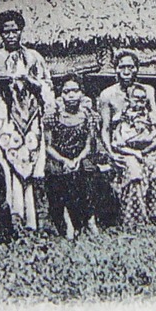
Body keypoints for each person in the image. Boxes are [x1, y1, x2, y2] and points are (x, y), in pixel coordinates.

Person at [0, 9, 55, 232]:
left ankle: (31, 218)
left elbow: (47, 85)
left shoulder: (33, 57)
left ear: (21, 31)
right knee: (4, 164)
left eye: (15, 31)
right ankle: (8, 216)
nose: (11, 35)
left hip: (30, 117)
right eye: (6, 32)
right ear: (0, 34)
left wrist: (32, 82)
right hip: (3, 115)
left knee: (29, 162)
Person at [97, 50, 156, 226]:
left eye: (130, 67)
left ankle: (154, 215)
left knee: (155, 171)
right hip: (122, 146)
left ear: (137, 69)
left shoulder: (147, 91)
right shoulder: (107, 95)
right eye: (122, 67)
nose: (126, 71)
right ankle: (133, 219)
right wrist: (111, 152)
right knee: (134, 172)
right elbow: (105, 129)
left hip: (147, 143)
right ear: (116, 70)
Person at [44, 75, 104, 239]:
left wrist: (77, 159)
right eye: (66, 91)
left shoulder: (89, 116)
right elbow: (48, 145)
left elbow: (88, 144)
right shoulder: (53, 116)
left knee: (89, 171)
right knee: (56, 175)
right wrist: (64, 160)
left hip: (80, 155)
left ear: (82, 94)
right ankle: (67, 220)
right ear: (61, 95)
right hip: (58, 156)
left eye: (75, 91)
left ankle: (90, 219)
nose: (71, 95)